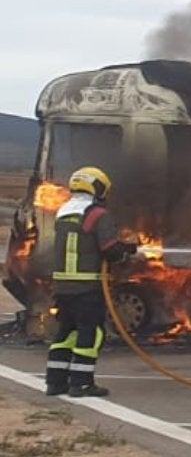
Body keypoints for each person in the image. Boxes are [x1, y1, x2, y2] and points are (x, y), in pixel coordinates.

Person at [44, 167, 135, 398]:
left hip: (62, 287)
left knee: (66, 333)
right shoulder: (97, 214)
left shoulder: (64, 212)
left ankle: (55, 382)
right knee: (91, 334)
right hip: (86, 287)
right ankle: (82, 384)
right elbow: (110, 251)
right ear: (99, 188)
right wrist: (128, 249)